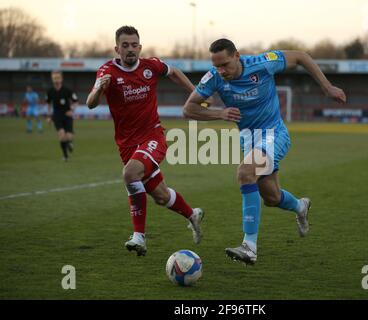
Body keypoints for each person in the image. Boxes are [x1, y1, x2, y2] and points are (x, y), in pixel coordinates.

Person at [183, 39, 346, 265]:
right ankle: (301, 206)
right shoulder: (214, 78)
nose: (221, 70)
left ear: (237, 55)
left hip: (274, 133)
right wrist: (219, 113)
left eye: (225, 64)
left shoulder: (263, 63)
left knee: (245, 173)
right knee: (271, 197)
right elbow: (188, 109)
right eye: (217, 65)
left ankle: (249, 247)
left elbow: (301, 56)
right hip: (249, 140)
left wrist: (327, 87)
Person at [86, 26, 205, 257]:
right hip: (127, 145)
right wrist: (100, 89)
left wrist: (195, 94)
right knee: (161, 196)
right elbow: (91, 103)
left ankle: (139, 237)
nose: (130, 50)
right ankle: (193, 214)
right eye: (125, 45)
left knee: (130, 174)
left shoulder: (151, 66)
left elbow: (174, 72)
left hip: (153, 137)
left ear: (140, 47)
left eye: (134, 45)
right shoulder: (106, 71)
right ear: (117, 48)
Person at [46, 71, 78, 161]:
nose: (56, 80)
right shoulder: (50, 91)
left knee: (68, 136)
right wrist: (48, 116)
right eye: (54, 78)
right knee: (61, 136)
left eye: (58, 78)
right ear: (52, 79)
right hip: (57, 116)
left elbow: (76, 101)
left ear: (61, 79)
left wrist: (71, 110)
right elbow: (48, 104)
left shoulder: (67, 90)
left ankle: (70, 142)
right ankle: (65, 156)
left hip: (67, 116)